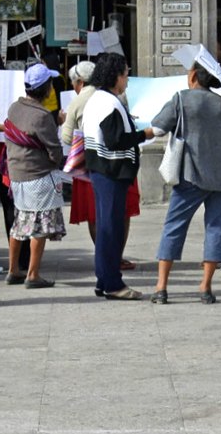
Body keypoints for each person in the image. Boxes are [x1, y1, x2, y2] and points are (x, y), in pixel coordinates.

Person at [151, 63, 221, 303]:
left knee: (174, 226)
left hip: (190, 174)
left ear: (192, 76)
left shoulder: (181, 99)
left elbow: (159, 128)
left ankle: (161, 287)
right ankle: (205, 286)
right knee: (217, 229)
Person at [81, 53, 150, 300]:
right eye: (125, 74)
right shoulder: (108, 103)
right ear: (116, 76)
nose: (127, 79)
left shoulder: (99, 99)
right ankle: (112, 283)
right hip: (110, 171)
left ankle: (104, 279)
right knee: (111, 228)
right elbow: (115, 141)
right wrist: (145, 134)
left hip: (103, 171)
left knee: (107, 227)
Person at [1, 63, 65, 289]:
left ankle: (13, 269)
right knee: (38, 225)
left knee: (20, 222)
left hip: (16, 174)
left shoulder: (14, 108)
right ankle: (33, 273)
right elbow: (54, 150)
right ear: (47, 88)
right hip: (38, 175)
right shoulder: (43, 115)